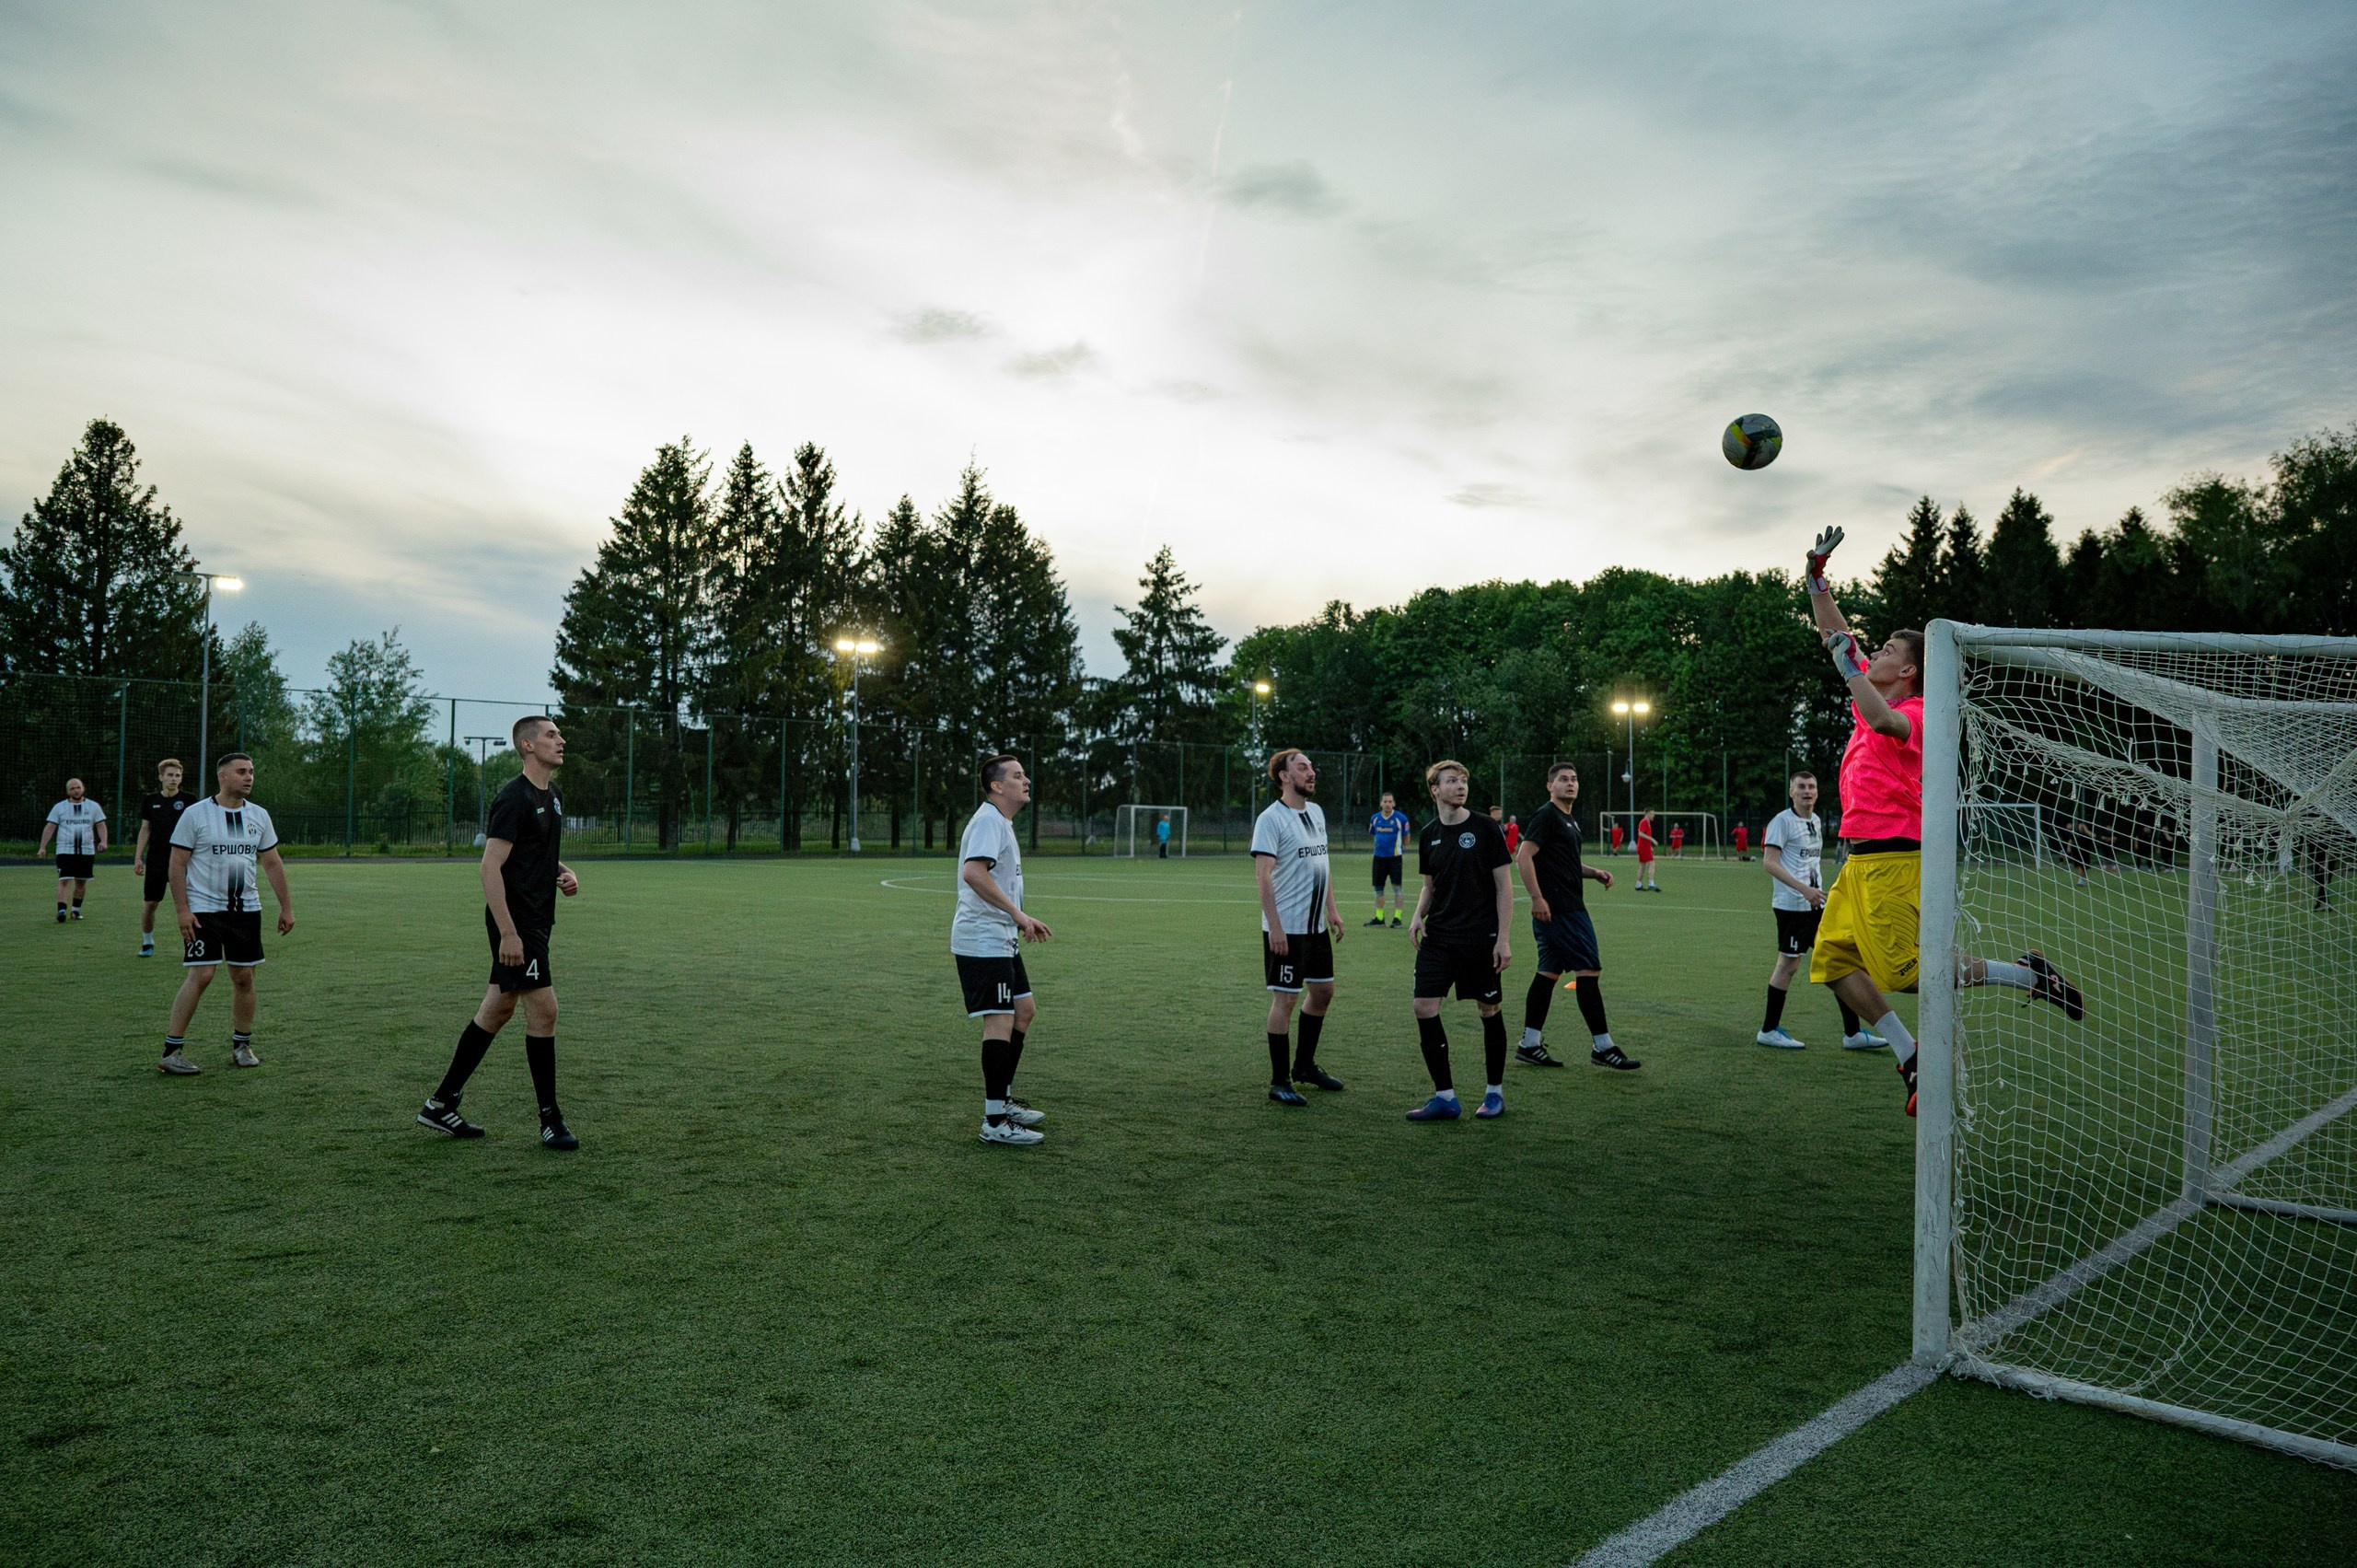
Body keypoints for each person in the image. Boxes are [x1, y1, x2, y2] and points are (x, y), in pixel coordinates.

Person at [1803, 527, 2084, 1115]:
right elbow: (1837, 636)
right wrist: (1816, 577)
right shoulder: (1869, 692)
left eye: (1886, 652)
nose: (1872, 653)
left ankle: (2028, 977)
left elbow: (1883, 723)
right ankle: (1910, 1058)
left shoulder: (1922, 710)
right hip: (1860, 862)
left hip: (1896, 857)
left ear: (1908, 673)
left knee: (1905, 972)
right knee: (1831, 962)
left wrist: (1849, 668)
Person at [416, 716, 583, 1147]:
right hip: (517, 922)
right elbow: (490, 866)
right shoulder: (514, 798)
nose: (560, 740)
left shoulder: (553, 795)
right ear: (527, 746)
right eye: (551, 735)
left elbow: (537, 854)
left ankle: (441, 1104)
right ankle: (550, 1120)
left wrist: (564, 873)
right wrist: (510, 934)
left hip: (537, 918)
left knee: (499, 1008)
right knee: (544, 1010)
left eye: (559, 734)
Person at [159, 753, 293, 1074]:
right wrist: (182, 910)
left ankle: (242, 1045)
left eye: (251, 771)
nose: (249, 777)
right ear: (222, 776)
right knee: (202, 974)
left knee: (244, 977)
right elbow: (176, 864)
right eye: (241, 771)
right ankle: (171, 1051)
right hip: (204, 910)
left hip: (246, 911)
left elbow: (272, 862)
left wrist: (286, 907)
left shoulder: (259, 816)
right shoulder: (195, 815)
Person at [947, 753, 1053, 1145]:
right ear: (997, 786)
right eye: (1018, 775)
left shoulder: (1001, 823)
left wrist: (1016, 919)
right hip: (983, 937)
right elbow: (973, 872)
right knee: (1000, 1020)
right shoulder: (990, 821)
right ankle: (994, 1121)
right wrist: (1020, 915)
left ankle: (1003, 1100)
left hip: (1001, 936)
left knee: (1024, 1011)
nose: (1027, 781)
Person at [1406, 761, 1515, 1121]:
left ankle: (1494, 1093)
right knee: (1424, 1007)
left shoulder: (1486, 827)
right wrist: (1418, 914)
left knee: (1489, 1010)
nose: (1460, 785)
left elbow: (1504, 887)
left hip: (1479, 939)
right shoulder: (1428, 834)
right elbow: (1430, 885)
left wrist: (1503, 939)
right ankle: (1446, 1097)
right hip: (1439, 937)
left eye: (1464, 780)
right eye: (1451, 780)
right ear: (1435, 789)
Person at [1513, 762, 1637, 1071]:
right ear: (1550, 786)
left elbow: (1565, 862)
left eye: (1574, 779)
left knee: (1548, 973)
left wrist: (1593, 872)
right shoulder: (1547, 816)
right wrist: (1537, 897)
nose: (1570, 784)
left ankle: (1529, 1044)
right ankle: (1603, 1047)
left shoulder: (1569, 820)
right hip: (1561, 910)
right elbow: (1523, 856)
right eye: (1563, 780)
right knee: (1589, 971)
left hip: (1564, 907)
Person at [1755, 772, 1883, 1051]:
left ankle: (1853, 1034)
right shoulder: (1782, 821)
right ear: (1791, 792)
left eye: (1811, 786)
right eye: (1801, 787)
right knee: (1789, 964)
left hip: (1816, 905)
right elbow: (1770, 863)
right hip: (1792, 907)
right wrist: (1804, 890)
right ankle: (1768, 1030)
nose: (1807, 791)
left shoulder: (1814, 820)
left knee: (1838, 960)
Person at [1254, 749, 1348, 1104]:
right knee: (1286, 999)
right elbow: (1263, 877)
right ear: (1283, 775)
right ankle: (1280, 1081)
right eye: (1302, 767)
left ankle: (1304, 1067)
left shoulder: (1317, 813)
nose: (1311, 773)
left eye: (1311, 767)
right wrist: (1274, 927)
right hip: (1287, 929)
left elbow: (1322, 866)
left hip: (1315, 929)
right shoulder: (1270, 819)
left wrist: (1333, 910)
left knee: (1323, 992)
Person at [133, 758, 196, 956]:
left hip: (184, 861)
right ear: (161, 777)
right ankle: (147, 941)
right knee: (151, 903)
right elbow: (145, 829)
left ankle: (193, 944)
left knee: (191, 904)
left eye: (177, 775)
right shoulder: (150, 800)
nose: (173, 779)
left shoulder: (190, 801)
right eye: (170, 775)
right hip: (157, 861)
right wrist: (138, 857)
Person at [38, 778, 107, 923]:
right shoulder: (59, 807)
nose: (76, 790)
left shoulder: (93, 806)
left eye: (78, 787)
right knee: (64, 879)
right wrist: (42, 846)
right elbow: (50, 827)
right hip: (65, 850)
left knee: (81, 881)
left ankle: (76, 910)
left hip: (86, 850)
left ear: (83, 788)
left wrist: (103, 841)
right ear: (67, 791)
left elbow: (100, 825)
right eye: (72, 789)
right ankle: (61, 911)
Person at [1366, 792, 1411, 926]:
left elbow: (1406, 837)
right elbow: (1373, 834)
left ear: (1394, 804)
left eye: (1390, 802)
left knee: (1397, 888)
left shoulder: (1401, 819)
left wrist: (1401, 847)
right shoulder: (1375, 818)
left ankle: (1397, 918)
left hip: (1394, 859)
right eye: (1385, 801)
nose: (1387, 804)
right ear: (1381, 803)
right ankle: (1379, 918)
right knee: (1379, 889)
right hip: (1379, 858)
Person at [1633, 810, 1659, 890]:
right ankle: (1651, 884)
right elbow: (1640, 834)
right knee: (1652, 863)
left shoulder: (1647, 822)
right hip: (1643, 847)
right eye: (1652, 814)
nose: (1653, 816)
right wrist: (1652, 839)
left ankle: (1638, 884)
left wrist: (1650, 846)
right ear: (1648, 813)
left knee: (1642, 866)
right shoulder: (1644, 822)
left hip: (1645, 847)